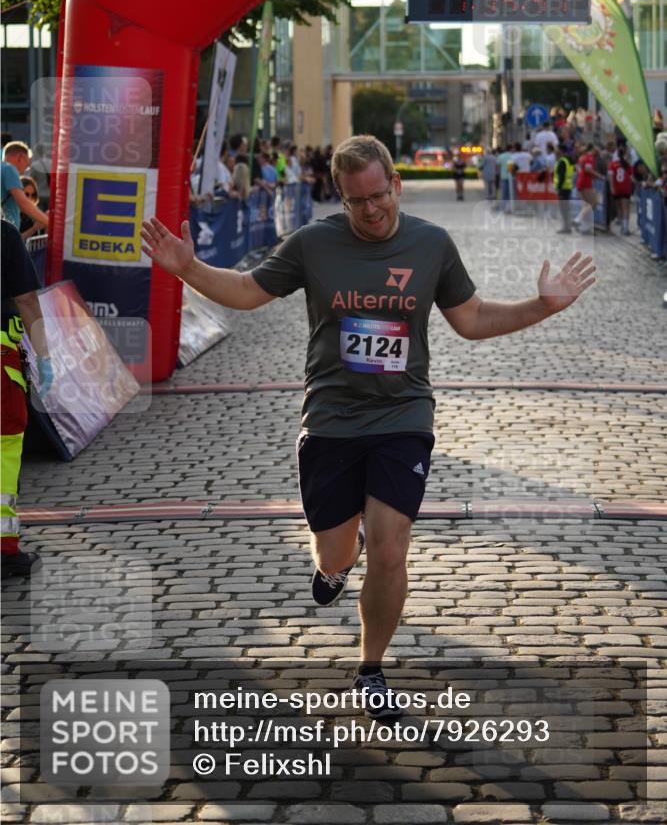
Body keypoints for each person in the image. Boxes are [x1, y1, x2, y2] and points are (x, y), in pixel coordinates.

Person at [141, 134, 596, 718]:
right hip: (330, 416)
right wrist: (188, 267)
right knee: (334, 554)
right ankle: (338, 558)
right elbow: (249, 291)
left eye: (380, 195)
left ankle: (371, 668)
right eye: (358, 202)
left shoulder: (431, 244)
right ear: (343, 198)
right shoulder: (314, 244)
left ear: (396, 185)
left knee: (391, 546)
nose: (373, 210)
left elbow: (473, 318)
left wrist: (542, 307)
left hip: (403, 414)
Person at [1, 219, 53, 577]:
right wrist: (44, 357)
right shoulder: (3, 234)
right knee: (3, 453)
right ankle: (4, 551)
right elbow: (27, 300)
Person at [1, 142, 49, 234]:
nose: (25, 170)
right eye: (27, 164)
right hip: (7, 233)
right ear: (20, 158)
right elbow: (23, 203)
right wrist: (50, 222)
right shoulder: (9, 169)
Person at [607, 145, 633, 235]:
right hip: (625, 187)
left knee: (619, 207)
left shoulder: (612, 164)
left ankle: (622, 225)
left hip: (616, 187)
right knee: (625, 207)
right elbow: (631, 176)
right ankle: (626, 227)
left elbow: (610, 176)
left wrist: (611, 187)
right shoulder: (627, 164)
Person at [553, 149, 575, 234]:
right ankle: (567, 226)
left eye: (556, 155)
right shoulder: (568, 161)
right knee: (566, 208)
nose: (555, 157)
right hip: (568, 187)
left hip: (563, 188)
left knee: (563, 209)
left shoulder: (562, 162)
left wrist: (558, 188)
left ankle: (566, 227)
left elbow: (561, 176)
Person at [19, 177, 45, 242]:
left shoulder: (35, 212)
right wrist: (34, 229)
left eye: (33, 195)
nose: (30, 198)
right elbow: (14, 240)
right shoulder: (12, 213)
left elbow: (43, 240)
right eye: (26, 194)